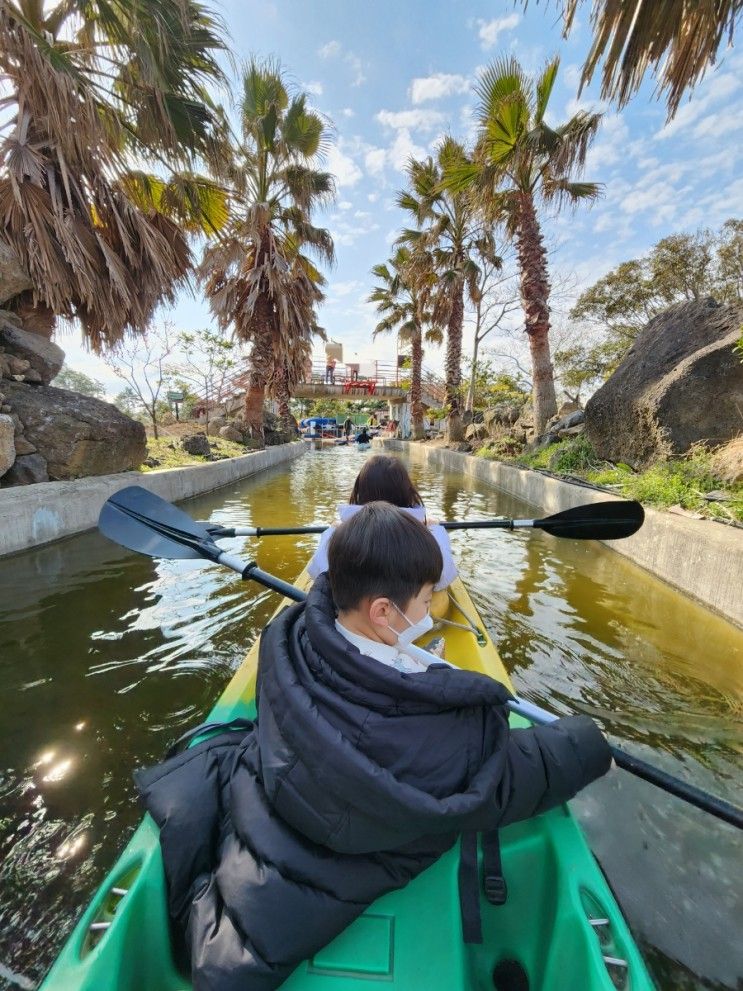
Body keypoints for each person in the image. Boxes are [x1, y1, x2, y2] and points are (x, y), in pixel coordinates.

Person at [137, 503, 612, 990]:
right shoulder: (436, 742)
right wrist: (588, 744)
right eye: (427, 599)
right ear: (383, 610)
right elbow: (508, 778)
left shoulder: (290, 638)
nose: (430, 610)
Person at [307, 454, 457, 594]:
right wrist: (435, 528)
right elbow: (444, 577)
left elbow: (318, 572)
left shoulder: (337, 535)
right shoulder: (428, 536)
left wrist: (333, 529)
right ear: (406, 491)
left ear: (360, 490)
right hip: (409, 616)